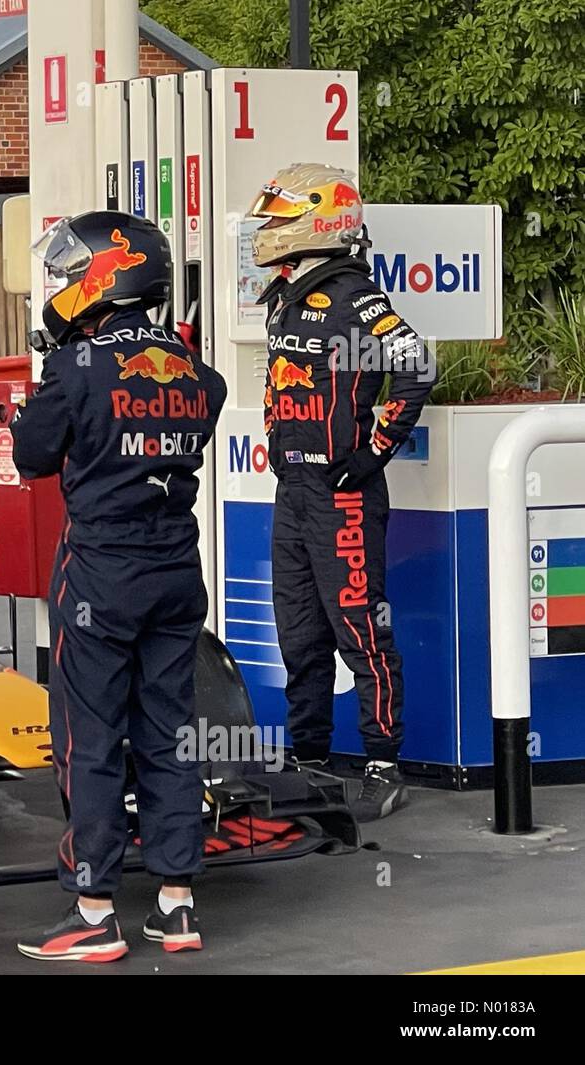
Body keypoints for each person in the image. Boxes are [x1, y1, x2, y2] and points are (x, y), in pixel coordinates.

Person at [11, 211, 226, 962]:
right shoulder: (200, 372)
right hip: (176, 573)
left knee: (90, 738)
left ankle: (94, 909)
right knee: (169, 732)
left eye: (73, 270)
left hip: (101, 573)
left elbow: (33, 455)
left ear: (107, 274)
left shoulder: (75, 366)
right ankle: (176, 905)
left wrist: (49, 378)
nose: (63, 283)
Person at [247, 163, 433, 821]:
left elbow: (417, 368)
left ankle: (385, 762)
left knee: (361, 629)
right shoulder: (286, 292)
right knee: (297, 634)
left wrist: (372, 450)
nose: (268, 230)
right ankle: (309, 761)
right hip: (293, 491)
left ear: (317, 222)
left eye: (279, 217)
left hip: (342, 493)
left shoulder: (356, 295)